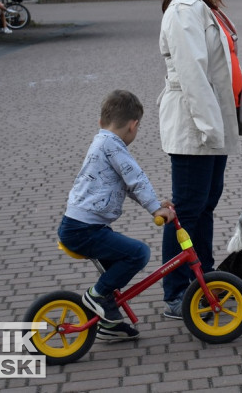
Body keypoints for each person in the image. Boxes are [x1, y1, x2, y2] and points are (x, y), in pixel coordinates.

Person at [158, 0, 242, 320]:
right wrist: (211, 128)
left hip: (212, 125)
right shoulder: (184, 11)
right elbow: (194, 75)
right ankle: (178, 291)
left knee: (205, 206)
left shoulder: (203, 8)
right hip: (195, 126)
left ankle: (203, 279)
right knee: (189, 210)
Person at [57, 89, 175, 342]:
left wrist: (156, 203)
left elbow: (125, 183)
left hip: (80, 226)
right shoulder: (114, 146)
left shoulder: (101, 141)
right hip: (82, 230)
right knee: (138, 253)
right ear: (134, 126)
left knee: (117, 266)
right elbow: (135, 178)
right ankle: (97, 295)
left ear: (101, 121)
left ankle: (109, 324)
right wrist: (156, 209)